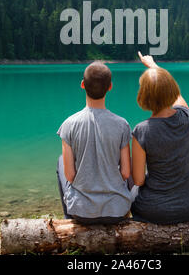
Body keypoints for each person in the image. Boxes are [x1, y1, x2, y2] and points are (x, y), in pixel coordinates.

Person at [131, 52, 189, 224]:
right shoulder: (185, 117)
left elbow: (139, 180)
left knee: (131, 186)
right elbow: (177, 96)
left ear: (144, 96)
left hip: (155, 210)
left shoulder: (141, 131)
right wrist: (154, 66)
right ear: (172, 88)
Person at [56, 60, 133, 224]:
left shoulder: (69, 124)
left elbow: (69, 175)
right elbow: (126, 173)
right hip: (117, 211)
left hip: (81, 212)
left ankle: (68, 217)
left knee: (61, 161)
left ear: (82, 85)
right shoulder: (122, 124)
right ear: (110, 87)